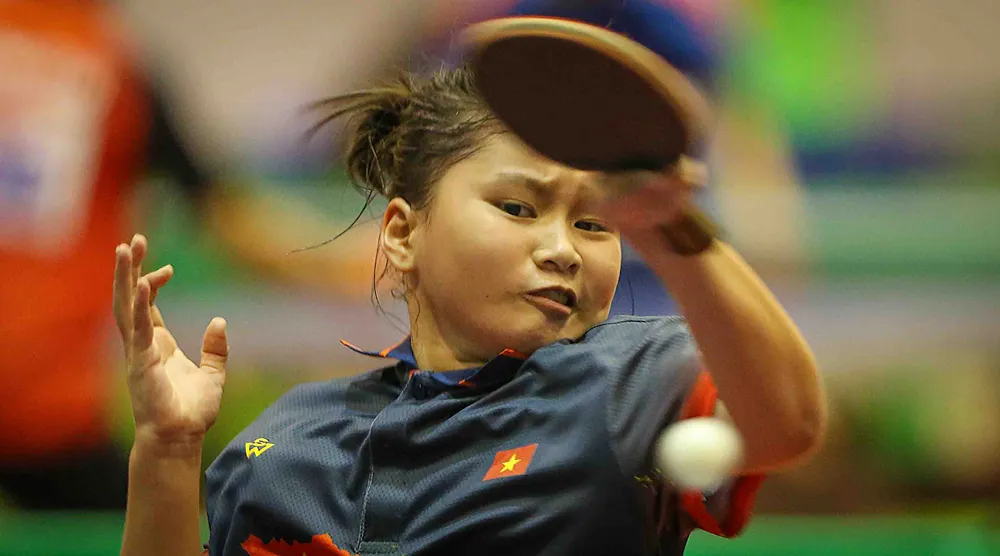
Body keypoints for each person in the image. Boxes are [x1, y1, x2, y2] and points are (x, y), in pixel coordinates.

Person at [116, 66, 826, 556]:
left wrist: (676, 232)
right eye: (517, 208)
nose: (562, 249)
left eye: (595, 224)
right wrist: (168, 451)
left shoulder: (636, 383)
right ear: (402, 234)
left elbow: (788, 423)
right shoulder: (285, 445)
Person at [0, 0, 374, 510]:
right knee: (184, 528)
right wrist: (340, 259)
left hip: (54, 417)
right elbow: (223, 213)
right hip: (49, 411)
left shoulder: (108, 59)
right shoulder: (110, 64)